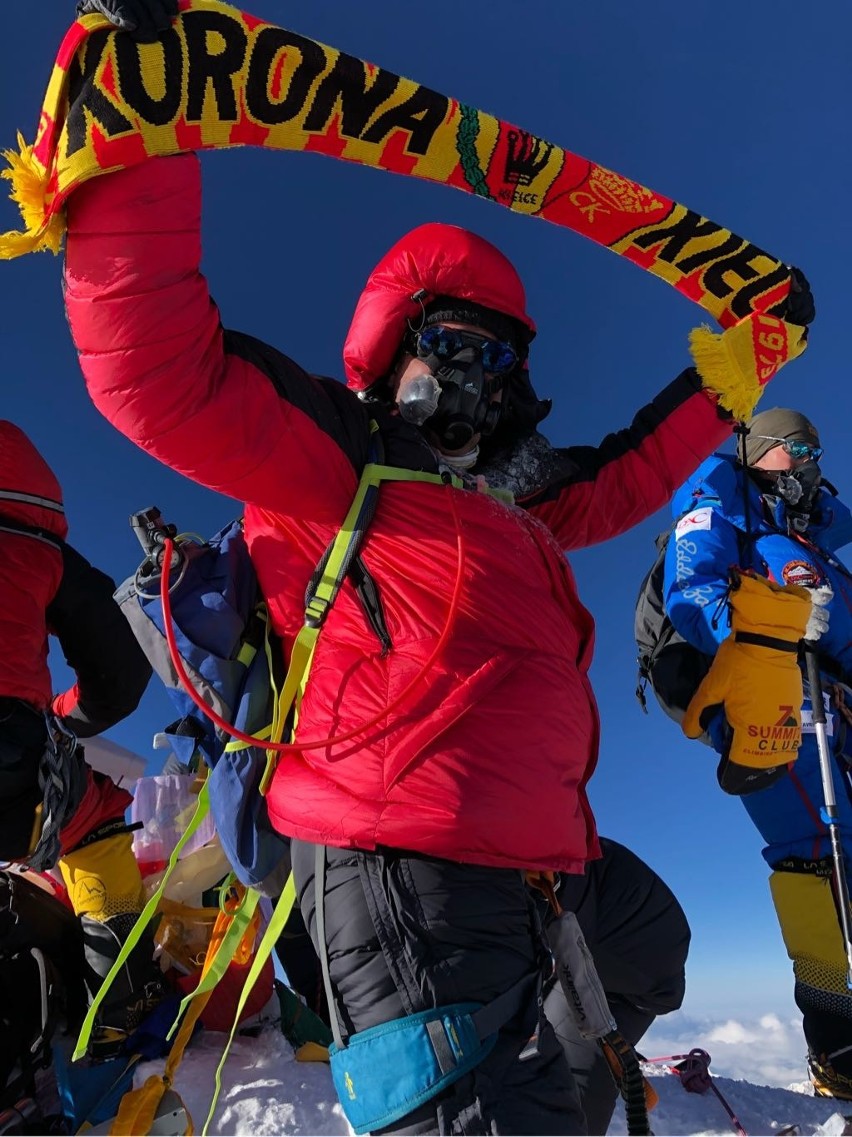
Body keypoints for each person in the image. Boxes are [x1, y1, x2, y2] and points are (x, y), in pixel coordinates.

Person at [60, 4, 812, 1130]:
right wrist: (131, 128)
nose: (478, 381)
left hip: (546, 856)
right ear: (389, 350)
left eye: (500, 361)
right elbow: (155, 368)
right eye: (452, 349)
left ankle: (532, 1065)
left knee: (651, 940)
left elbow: (631, 475)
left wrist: (745, 362)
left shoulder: (521, 506)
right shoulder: (332, 457)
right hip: (396, 856)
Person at [663, 407, 852, 1101]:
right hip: (775, 704)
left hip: (833, 700)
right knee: (817, 858)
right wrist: (766, 635)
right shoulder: (720, 508)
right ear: (760, 452)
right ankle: (838, 1043)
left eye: (815, 447)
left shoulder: (797, 530)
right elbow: (693, 592)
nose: (808, 459)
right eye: (794, 447)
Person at [0, 418, 159, 1058]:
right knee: (92, 829)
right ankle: (119, 1009)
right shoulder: (40, 547)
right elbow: (119, 677)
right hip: (12, 751)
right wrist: (60, 718)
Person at [536, 838, 690, 1135]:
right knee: (548, 1045)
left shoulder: (530, 868)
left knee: (563, 1080)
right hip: (631, 943)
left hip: (633, 968)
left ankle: (607, 1069)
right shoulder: (539, 844)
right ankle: (610, 1065)